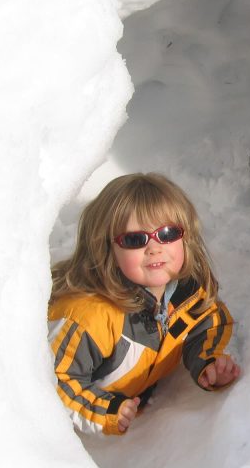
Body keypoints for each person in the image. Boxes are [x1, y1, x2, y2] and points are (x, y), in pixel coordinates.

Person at [48, 173, 240, 436]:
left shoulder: (188, 293)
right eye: (135, 240)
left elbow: (209, 321)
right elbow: (54, 382)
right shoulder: (89, 317)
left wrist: (208, 361)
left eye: (167, 233)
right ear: (106, 250)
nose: (154, 248)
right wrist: (105, 410)